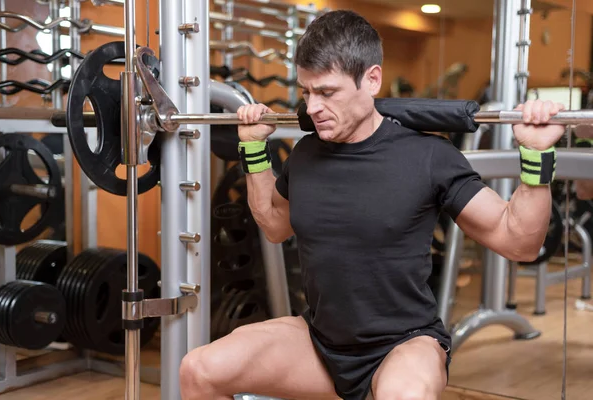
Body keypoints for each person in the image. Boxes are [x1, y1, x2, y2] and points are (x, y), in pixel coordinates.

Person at [180, 10, 566, 400]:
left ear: (372, 79)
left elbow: (519, 242)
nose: (312, 107)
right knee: (199, 370)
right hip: (319, 342)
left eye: (327, 92)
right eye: (307, 92)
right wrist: (252, 149)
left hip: (403, 346)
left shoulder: (428, 156)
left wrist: (536, 157)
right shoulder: (306, 155)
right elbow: (275, 224)